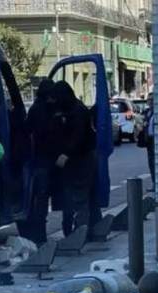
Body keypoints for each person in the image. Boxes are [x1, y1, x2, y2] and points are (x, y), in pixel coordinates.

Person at [51, 81, 98, 235]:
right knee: (76, 197)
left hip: (81, 159)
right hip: (77, 159)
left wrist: (66, 153)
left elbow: (78, 135)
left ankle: (80, 232)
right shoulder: (73, 108)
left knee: (79, 197)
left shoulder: (77, 110)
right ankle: (79, 230)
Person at [20, 78, 56, 245]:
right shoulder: (51, 109)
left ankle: (36, 231)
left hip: (37, 159)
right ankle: (40, 233)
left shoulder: (34, 109)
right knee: (43, 197)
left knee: (37, 197)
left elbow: (26, 129)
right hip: (48, 158)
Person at [139, 92, 156, 191]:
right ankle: (154, 182)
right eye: (148, 100)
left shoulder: (157, 112)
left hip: (155, 139)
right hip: (149, 139)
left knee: (155, 162)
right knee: (151, 162)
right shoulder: (147, 112)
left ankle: (157, 183)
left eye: (152, 100)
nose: (150, 102)